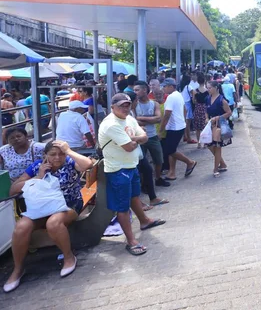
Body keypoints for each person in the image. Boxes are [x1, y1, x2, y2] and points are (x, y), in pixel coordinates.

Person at [3, 140, 94, 292]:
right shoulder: (37, 166)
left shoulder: (70, 162)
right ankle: (18, 269)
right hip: (41, 208)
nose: (57, 158)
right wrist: (38, 177)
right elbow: (13, 190)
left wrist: (69, 151)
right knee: (21, 227)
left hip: (69, 204)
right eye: (53, 154)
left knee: (53, 223)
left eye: (61, 154)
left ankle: (69, 257)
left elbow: (87, 165)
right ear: (45, 155)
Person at [98, 93, 165, 256]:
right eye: (121, 105)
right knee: (122, 207)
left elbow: (144, 137)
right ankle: (131, 240)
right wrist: (135, 140)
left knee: (134, 196)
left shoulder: (129, 118)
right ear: (112, 107)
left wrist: (132, 139)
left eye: (127, 105)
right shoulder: (111, 124)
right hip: (117, 169)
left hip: (130, 165)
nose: (125, 108)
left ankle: (144, 221)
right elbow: (130, 146)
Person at [133, 81, 170, 189]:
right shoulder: (134, 105)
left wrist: (140, 118)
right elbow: (134, 122)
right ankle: (145, 183)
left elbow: (159, 119)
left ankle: (158, 178)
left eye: (137, 90)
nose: (135, 92)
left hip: (153, 136)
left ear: (145, 90)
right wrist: (151, 120)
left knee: (159, 159)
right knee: (142, 163)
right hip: (140, 137)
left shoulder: (154, 103)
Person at [160, 78, 197, 179]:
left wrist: (161, 130)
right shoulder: (178, 95)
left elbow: (167, 114)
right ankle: (172, 173)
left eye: (165, 86)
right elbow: (184, 109)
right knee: (172, 150)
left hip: (174, 127)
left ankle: (189, 162)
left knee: (169, 150)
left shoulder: (171, 97)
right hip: (179, 126)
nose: (163, 88)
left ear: (171, 86)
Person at [205, 81, 233, 177]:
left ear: (216, 88)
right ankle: (222, 163)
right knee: (209, 145)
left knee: (217, 147)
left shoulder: (222, 100)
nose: (208, 90)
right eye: (207, 88)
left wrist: (218, 118)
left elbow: (229, 112)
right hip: (210, 125)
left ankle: (216, 168)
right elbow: (206, 111)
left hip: (219, 126)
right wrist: (207, 118)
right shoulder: (208, 98)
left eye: (210, 88)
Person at [178, 74, 197, 144]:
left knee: (184, 121)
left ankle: (185, 136)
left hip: (181, 104)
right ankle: (189, 138)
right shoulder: (188, 87)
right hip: (187, 104)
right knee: (188, 123)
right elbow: (194, 93)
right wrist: (194, 99)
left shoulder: (180, 87)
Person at [192, 74, 210, 148]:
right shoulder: (207, 91)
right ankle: (205, 143)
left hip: (198, 108)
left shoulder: (195, 91)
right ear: (204, 81)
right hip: (205, 108)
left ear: (198, 82)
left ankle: (199, 144)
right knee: (204, 126)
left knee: (197, 128)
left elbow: (193, 101)